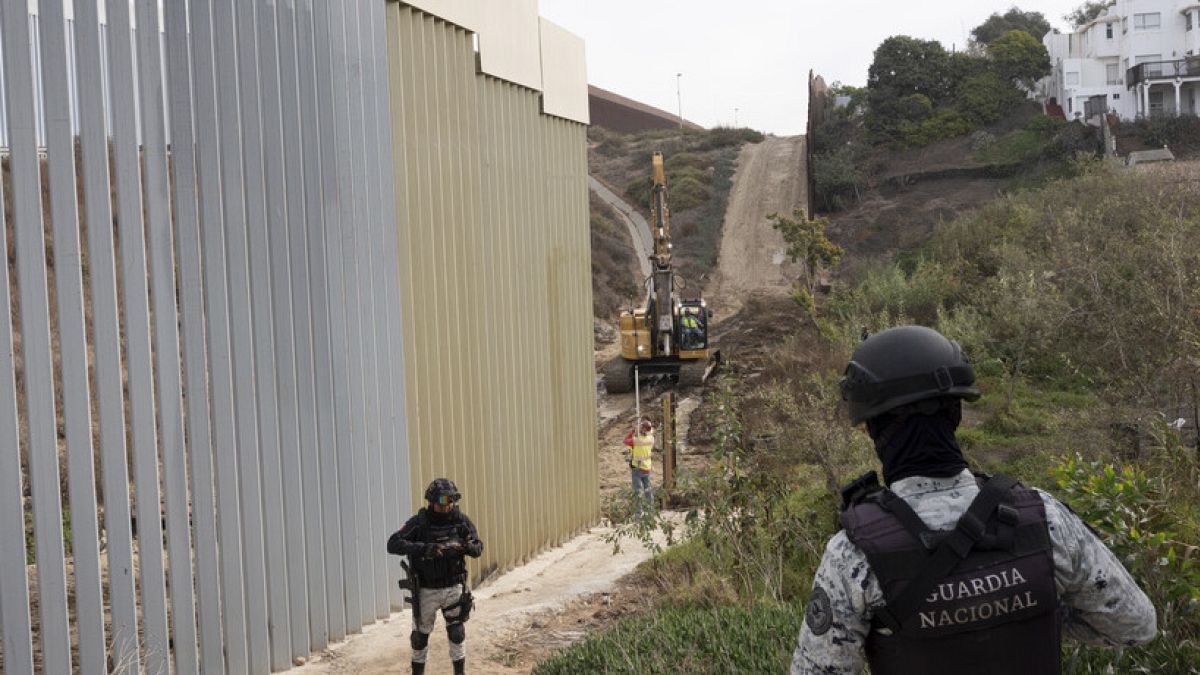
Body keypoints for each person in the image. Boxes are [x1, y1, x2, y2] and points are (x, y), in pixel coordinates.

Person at [791, 325, 1157, 674]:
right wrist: (1029, 611)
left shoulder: (853, 555)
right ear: (957, 413)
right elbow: (1136, 626)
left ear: (873, 427)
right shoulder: (1044, 518)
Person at [387, 478, 484, 675]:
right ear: (431, 501)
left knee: (456, 633)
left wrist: (465, 546)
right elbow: (393, 543)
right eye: (442, 501)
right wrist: (424, 549)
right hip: (426, 589)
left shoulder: (461, 521)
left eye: (451, 501)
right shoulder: (419, 524)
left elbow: (478, 547)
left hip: (453, 586)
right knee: (419, 638)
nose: (447, 506)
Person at [624, 418, 656, 511]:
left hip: (637, 468)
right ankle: (651, 511)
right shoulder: (651, 439)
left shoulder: (636, 440)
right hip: (647, 467)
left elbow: (626, 440)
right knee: (648, 490)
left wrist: (633, 431)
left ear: (642, 429)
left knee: (637, 492)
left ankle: (639, 514)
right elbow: (650, 432)